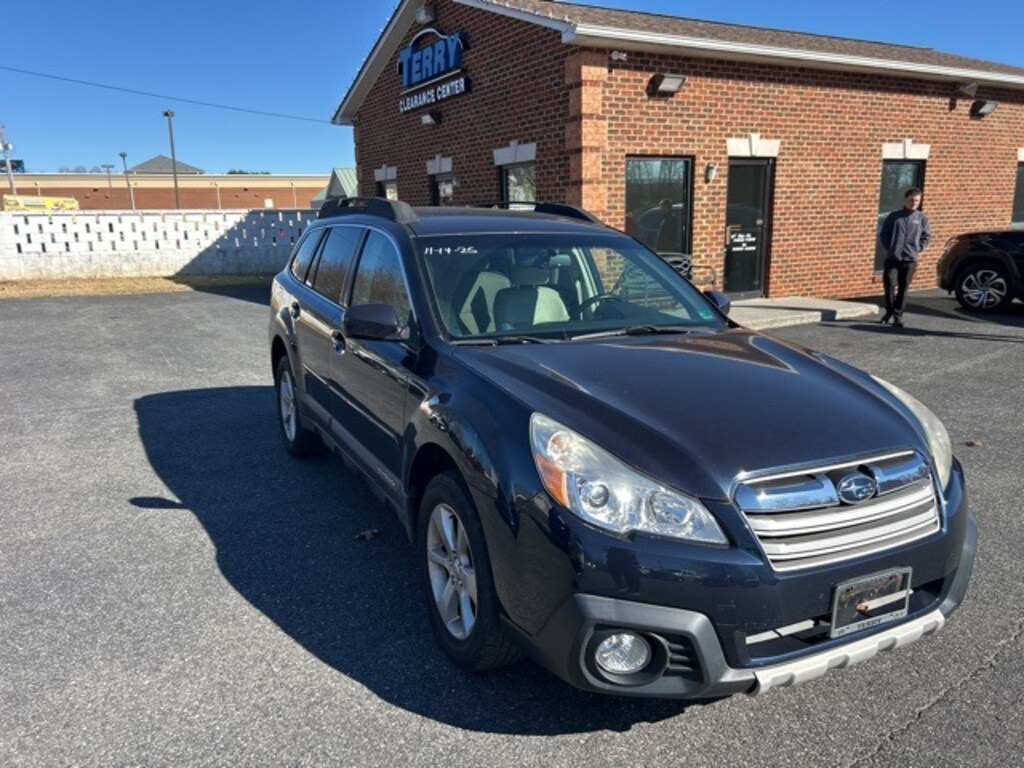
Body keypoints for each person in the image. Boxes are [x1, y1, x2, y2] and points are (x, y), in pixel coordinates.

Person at [878, 187, 931, 328]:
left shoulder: (921, 218)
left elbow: (926, 236)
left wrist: (918, 248)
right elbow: (884, 234)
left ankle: (898, 315)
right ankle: (888, 312)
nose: (914, 203)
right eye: (911, 200)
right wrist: (890, 248)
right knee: (889, 284)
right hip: (892, 258)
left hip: (910, 260)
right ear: (905, 200)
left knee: (903, 288)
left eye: (917, 200)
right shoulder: (894, 216)